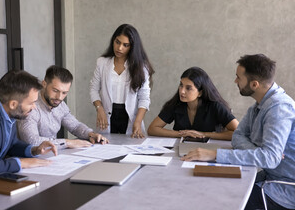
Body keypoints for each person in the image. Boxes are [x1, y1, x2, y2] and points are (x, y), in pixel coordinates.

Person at [182, 54, 295, 210]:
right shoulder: (258, 106)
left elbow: (269, 159)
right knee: (210, 185)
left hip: (283, 189)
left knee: (217, 199)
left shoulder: (279, 108)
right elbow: (238, 136)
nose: (235, 81)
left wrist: (215, 155)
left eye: (238, 78)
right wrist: (259, 152)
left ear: (254, 84)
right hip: (268, 176)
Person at [18, 65, 108, 148]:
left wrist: (91, 134)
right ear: (44, 84)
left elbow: (75, 126)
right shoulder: (31, 106)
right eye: (55, 90)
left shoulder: (60, 105)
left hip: (53, 156)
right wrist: (67, 143)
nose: (59, 97)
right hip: (30, 158)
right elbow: (32, 140)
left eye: (64, 93)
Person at [90, 24, 155, 138]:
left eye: (126, 45)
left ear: (132, 47)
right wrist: (99, 109)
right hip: (108, 115)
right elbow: (93, 89)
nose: (120, 48)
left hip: (130, 118)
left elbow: (144, 97)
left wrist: (138, 122)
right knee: (106, 150)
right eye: (117, 42)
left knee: (131, 151)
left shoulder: (141, 67)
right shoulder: (102, 62)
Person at [148, 67, 238, 140]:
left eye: (188, 88)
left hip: (209, 150)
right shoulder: (175, 104)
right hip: (181, 149)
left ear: (200, 92)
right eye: (181, 85)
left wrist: (203, 134)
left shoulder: (215, 106)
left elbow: (238, 133)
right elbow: (152, 129)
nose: (182, 91)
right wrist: (181, 134)